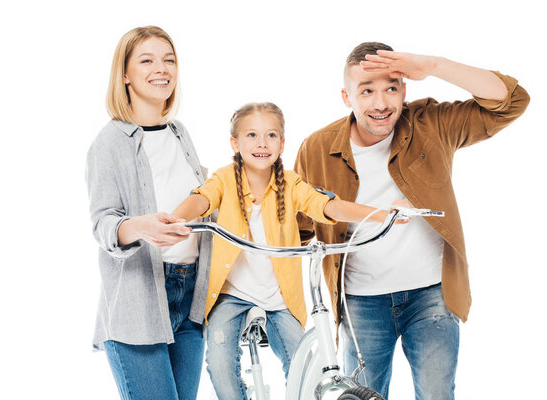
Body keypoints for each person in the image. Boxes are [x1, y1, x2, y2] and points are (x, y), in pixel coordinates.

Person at [294, 42, 530, 399]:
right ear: (347, 97)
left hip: (431, 295)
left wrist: (434, 64)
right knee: (364, 396)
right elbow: (297, 230)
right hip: (361, 302)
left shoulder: (429, 124)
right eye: (367, 91)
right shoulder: (316, 148)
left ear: (405, 89)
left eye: (391, 88)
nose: (381, 103)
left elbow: (512, 101)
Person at [172, 102, 408, 400]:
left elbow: (326, 205)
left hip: (280, 298)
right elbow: (201, 199)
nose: (262, 143)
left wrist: (381, 213)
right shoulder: (224, 179)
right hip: (230, 296)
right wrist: (175, 219)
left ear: (282, 143)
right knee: (219, 362)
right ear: (235, 142)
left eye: (271, 136)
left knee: (305, 366)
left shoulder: (291, 183)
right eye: (252, 135)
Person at [85, 26, 211, 400]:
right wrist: (139, 227)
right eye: (147, 60)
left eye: (169, 60)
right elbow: (102, 223)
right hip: (138, 304)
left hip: (190, 297)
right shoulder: (109, 143)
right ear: (124, 74)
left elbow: (198, 196)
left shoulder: (179, 132)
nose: (162, 69)